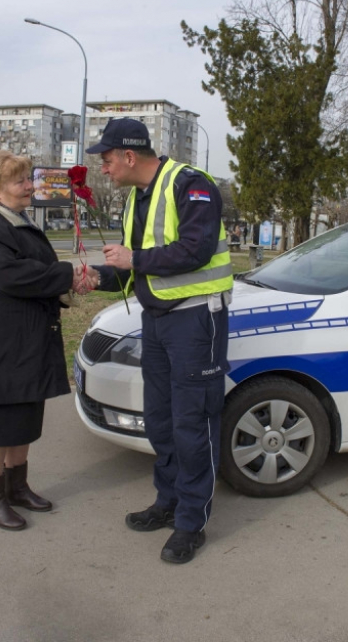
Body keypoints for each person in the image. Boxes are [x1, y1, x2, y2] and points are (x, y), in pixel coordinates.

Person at [78, 118, 233, 564]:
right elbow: (135, 268)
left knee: (192, 422)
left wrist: (135, 258)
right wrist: (99, 277)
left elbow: (195, 250)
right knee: (161, 420)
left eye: (107, 158)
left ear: (129, 156)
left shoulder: (190, 185)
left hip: (195, 320)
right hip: (159, 321)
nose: (103, 167)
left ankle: (191, 522)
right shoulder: (136, 199)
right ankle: (168, 501)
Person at [0, 150, 87, 531]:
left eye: (29, 178)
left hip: (25, 339)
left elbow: (38, 270)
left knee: (24, 411)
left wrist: (64, 280)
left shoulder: (18, 221)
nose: (30, 186)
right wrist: (66, 276)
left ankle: (17, 486)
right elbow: (10, 275)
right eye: (20, 181)